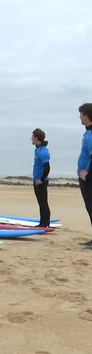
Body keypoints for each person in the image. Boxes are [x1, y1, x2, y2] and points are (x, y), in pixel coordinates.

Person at [77, 103, 92, 247]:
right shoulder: (87, 132)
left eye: (81, 114)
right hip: (85, 177)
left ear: (87, 115)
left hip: (88, 177)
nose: (79, 117)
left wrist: (87, 172)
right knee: (89, 207)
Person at [31, 128, 51, 228]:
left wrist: (41, 179)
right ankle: (43, 223)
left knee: (43, 203)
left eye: (32, 136)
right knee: (41, 203)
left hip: (41, 182)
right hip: (37, 181)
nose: (31, 139)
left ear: (36, 138)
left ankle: (45, 224)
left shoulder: (43, 151)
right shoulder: (38, 150)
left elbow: (47, 167)